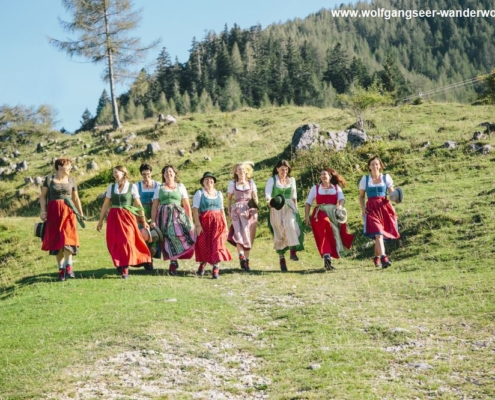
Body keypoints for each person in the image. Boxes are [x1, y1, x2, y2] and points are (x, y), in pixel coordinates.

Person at [96, 165, 152, 278]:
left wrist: (143, 220)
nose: (115, 174)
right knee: (115, 242)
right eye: (114, 172)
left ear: (123, 173)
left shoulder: (132, 187)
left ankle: (126, 266)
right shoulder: (111, 187)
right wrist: (100, 221)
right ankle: (121, 262)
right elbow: (106, 204)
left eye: (117, 172)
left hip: (127, 217)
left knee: (127, 241)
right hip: (114, 217)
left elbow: (138, 204)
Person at [40, 158, 84, 281]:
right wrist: (43, 211)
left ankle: (69, 266)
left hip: (69, 212)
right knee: (57, 240)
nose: (70, 168)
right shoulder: (49, 180)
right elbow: (42, 197)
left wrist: (80, 213)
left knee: (68, 238)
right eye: (68, 166)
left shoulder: (71, 180)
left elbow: (76, 198)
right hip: (53, 213)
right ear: (59, 167)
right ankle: (61, 269)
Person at [304, 168, 354, 271]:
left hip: (333, 213)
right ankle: (327, 256)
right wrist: (306, 216)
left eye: (325, 174)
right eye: (321, 174)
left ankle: (328, 259)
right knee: (324, 233)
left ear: (330, 176)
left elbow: (341, 199)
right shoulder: (316, 188)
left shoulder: (336, 188)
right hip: (320, 213)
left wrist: (340, 206)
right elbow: (308, 202)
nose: (322, 176)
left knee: (334, 233)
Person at [150, 165, 195, 276]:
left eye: (170, 171)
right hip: (163, 216)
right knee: (167, 237)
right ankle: (173, 262)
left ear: (175, 174)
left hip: (177, 216)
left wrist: (190, 220)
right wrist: (153, 220)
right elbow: (155, 205)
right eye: (166, 172)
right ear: (163, 175)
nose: (168, 173)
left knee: (179, 236)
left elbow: (186, 205)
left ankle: (175, 259)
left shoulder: (180, 186)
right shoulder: (159, 187)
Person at [358, 156, 400, 268]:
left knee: (379, 235)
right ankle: (384, 258)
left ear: (380, 166)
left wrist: (397, 197)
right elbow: (361, 197)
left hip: (384, 207)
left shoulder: (386, 178)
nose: (375, 166)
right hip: (371, 209)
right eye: (372, 164)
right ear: (369, 167)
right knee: (378, 233)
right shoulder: (365, 179)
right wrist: (363, 209)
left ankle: (376, 257)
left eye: (377, 164)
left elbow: (392, 194)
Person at [265, 159, 304, 272]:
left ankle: (292, 250)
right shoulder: (272, 180)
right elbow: (267, 195)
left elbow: (294, 196)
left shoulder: (291, 180)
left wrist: (296, 209)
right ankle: (281, 258)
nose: (284, 171)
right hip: (276, 207)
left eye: (286, 169)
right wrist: (270, 203)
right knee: (279, 232)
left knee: (291, 225)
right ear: (277, 169)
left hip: (289, 206)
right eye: (282, 169)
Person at [192, 172, 232, 279]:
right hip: (204, 224)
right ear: (203, 183)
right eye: (206, 180)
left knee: (217, 245)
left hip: (218, 224)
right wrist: (198, 225)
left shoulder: (219, 194)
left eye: (211, 180)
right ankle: (203, 264)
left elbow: (222, 210)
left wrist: (226, 226)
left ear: (214, 182)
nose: (209, 181)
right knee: (204, 245)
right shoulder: (199, 194)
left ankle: (215, 268)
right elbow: (195, 210)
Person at [227, 161, 258, 272]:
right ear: (236, 171)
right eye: (239, 169)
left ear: (246, 171)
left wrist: (254, 209)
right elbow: (229, 199)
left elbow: (255, 197)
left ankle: (247, 259)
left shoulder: (251, 183)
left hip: (250, 210)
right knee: (238, 233)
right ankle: (241, 256)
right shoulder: (232, 184)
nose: (241, 171)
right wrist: (229, 211)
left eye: (243, 169)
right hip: (237, 210)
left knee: (249, 235)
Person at [137, 163, 161, 260]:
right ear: (141, 174)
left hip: (155, 211)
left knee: (155, 236)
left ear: (151, 173)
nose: (146, 176)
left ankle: (151, 258)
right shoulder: (137, 185)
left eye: (148, 174)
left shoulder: (157, 185)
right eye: (143, 174)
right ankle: (145, 260)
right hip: (142, 213)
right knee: (143, 235)